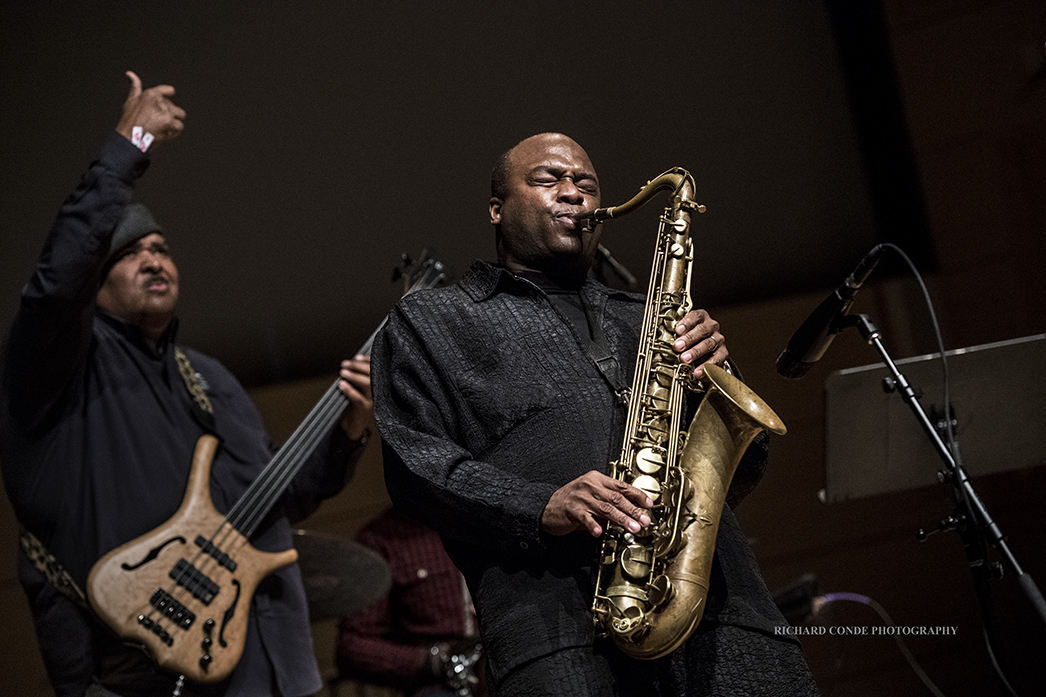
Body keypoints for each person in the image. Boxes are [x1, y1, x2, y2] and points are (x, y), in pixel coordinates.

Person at [370, 133, 819, 696]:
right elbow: (417, 470)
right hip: (559, 639)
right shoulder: (433, 320)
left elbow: (740, 473)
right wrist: (541, 505)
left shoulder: (651, 317)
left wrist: (717, 378)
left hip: (729, 626)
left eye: (586, 185)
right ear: (496, 208)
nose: (573, 194)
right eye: (548, 180)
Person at [0, 72, 375, 697]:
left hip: (278, 668)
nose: (155, 259)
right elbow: (58, 276)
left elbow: (272, 507)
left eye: (163, 248)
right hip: (146, 675)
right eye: (130, 252)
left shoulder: (211, 380)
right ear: (94, 279)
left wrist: (347, 433)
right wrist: (130, 142)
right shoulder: (58, 369)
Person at [336, 506, 487, 697]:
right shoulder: (381, 537)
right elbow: (352, 647)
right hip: (441, 682)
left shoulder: (490, 518)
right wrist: (430, 660)